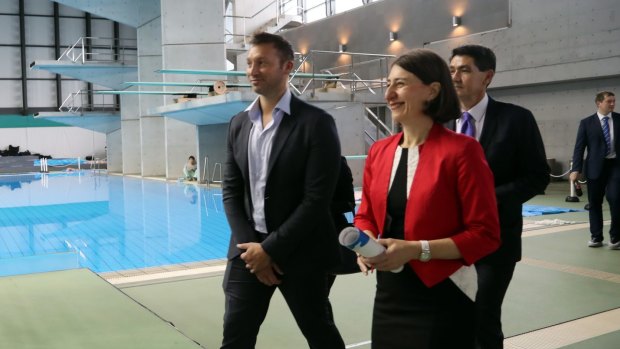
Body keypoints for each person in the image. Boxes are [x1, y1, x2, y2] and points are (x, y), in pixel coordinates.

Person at [354, 48, 501, 349]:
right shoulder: (380, 151)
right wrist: (365, 241)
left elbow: (485, 235)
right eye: (389, 84)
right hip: (391, 291)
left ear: (432, 90)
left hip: (443, 290)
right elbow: (366, 213)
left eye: (401, 84)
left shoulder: (462, 151)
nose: (389, 95)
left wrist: (415, 250)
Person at [220, 32, 345, 349]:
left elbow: (317, 200)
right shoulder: (239, 123)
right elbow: (231, 191)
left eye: (262, 62)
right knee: (235, 336)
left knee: (320, 332)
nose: (252, 70)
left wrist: (271, 250)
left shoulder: (316, 123)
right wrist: (253, 249)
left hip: (301, 250)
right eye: (249, 63)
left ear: (287, 66)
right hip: (247, 253)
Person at [448, 44, 550, 349]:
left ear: (487, 77)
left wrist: (486, 198)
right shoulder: (439, 122)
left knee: (483, 315)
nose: (455, 77)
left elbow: (537, 176)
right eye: (451, 69)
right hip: (445, 240)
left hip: (495, 239)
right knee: (452, 317)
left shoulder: (516, 119)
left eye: (464, 70)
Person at [570, 91, 619, 250]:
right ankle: (596, 237)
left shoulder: (619, 119)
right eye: (609, 101)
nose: (612, 104)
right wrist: (576, 169)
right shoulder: (586, 123)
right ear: (599, 103)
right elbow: (579, 148)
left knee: (616, 199)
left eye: (614, 101)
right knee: (595, 203)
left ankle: (616, 237)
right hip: (594, 167)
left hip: (615, 166)